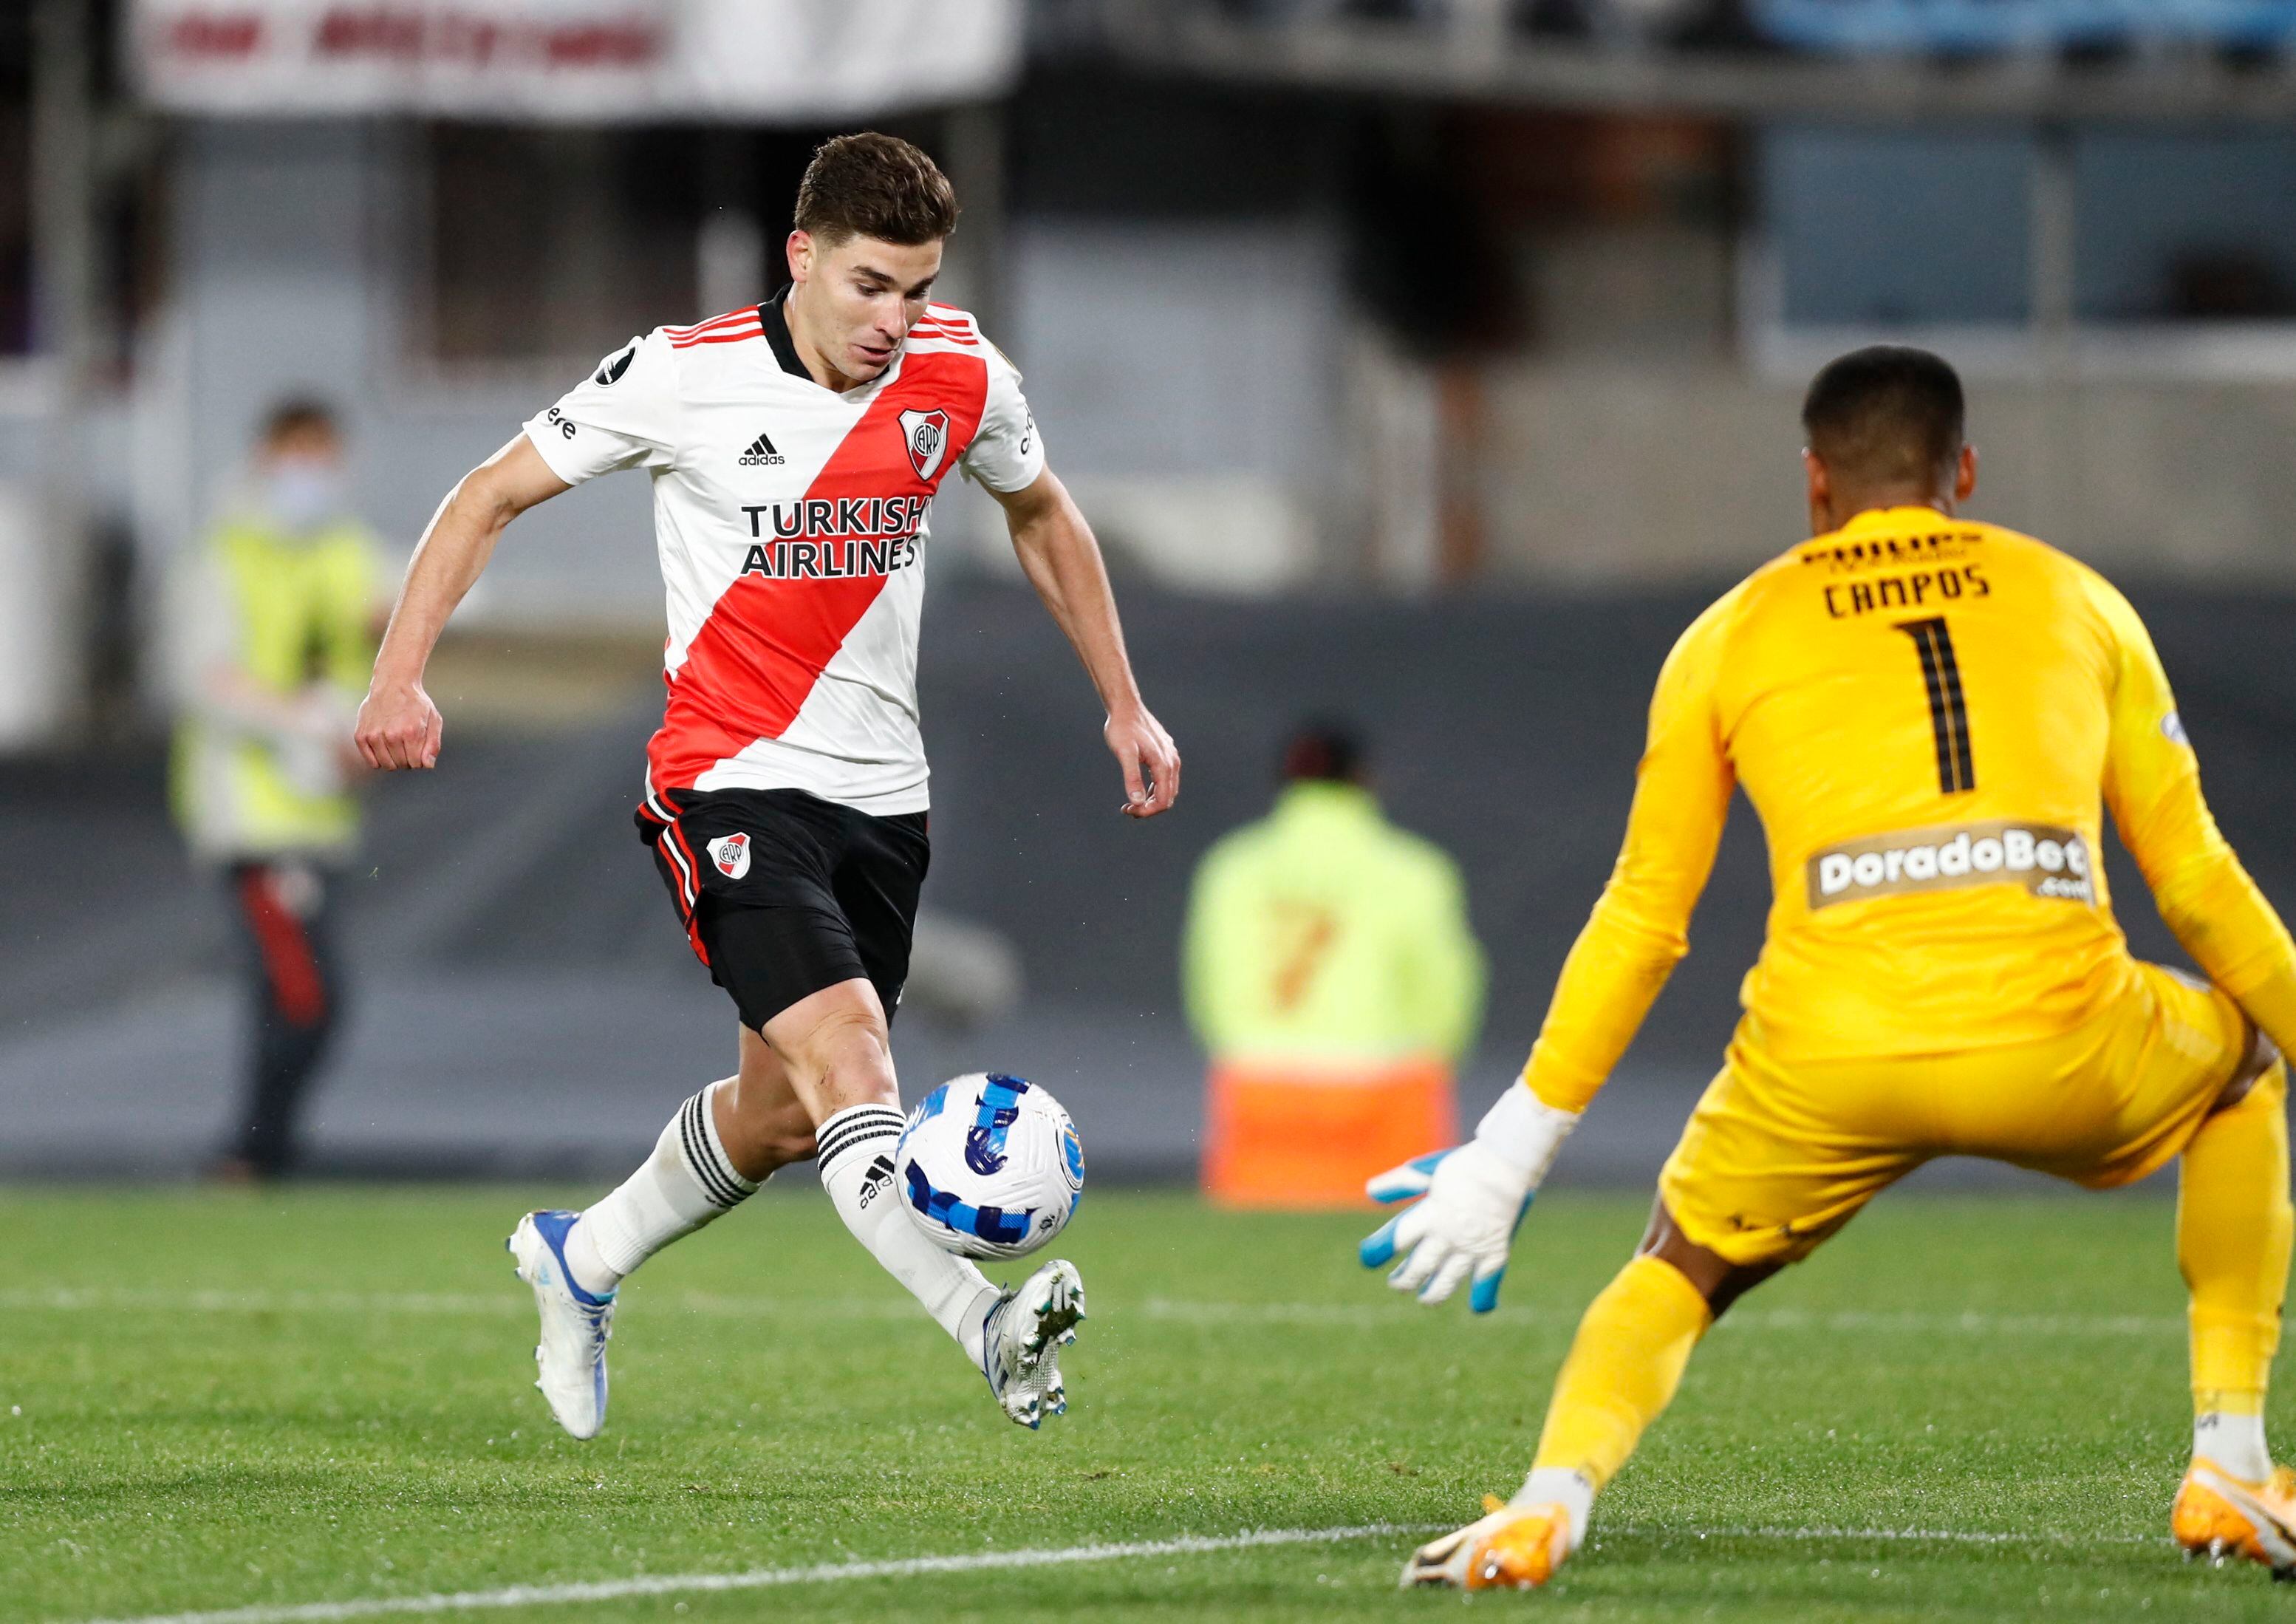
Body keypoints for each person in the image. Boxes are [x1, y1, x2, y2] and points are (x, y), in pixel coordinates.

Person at [1363, 347, 2296, 1588]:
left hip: (1828, 1055)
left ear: (1812, 481)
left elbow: (1643, 917)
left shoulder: (1727, 632)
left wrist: (1510, 1149)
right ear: (1960, 470)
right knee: (2239, 1068)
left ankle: (1547, 1499)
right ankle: (2229, 1459)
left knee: (1677, 1265)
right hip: (2062, 1038)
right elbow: (2194, 884)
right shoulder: (2078, 600)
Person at [354, 133, 1178, 1439]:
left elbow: (1042, 513)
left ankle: (585, 1256)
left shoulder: (960, 371)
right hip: (727, 780)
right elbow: (485, 495)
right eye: (867, 287)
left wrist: (1121, 699)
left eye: (915, 290)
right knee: (856, 1061)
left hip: (883, 806)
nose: (894, 322)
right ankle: (987, 1322)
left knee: (784, 1114)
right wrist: (401, 673)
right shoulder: (681, 376)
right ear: (799, 257)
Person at [168, 398, 387, 1181]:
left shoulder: (347, 550)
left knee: (299, 998)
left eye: (326, 455)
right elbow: (203, 680)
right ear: (266, 455)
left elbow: (387, 628)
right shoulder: (226, 554)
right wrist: (307, 725)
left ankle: (261, 1155)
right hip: (254, 819)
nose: (313, 474)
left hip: (321, 817)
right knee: (304, 996)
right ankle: (252, 1154)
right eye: (301, 454)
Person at [1183, 723, 1483, 1206]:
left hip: (1260, 1087)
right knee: (1394, 1257)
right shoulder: (1414, 869)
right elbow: (1446, 994)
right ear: (1365, 779)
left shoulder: (1230, 867)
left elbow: (1208, 988)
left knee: (1253, 1256)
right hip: (1384, 1088)